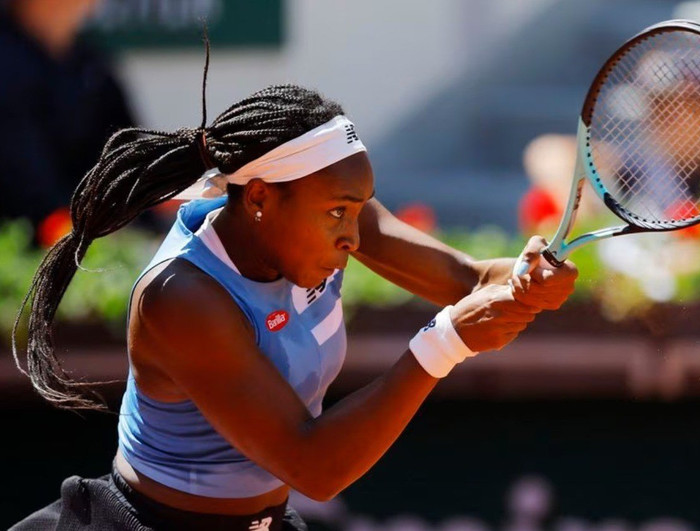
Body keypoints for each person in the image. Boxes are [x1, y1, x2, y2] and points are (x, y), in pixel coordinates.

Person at [11, 60, 577, 529]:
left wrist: (530, 273)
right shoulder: (181, 297)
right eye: (338, 213)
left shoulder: (333, 214)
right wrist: (446, 341)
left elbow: (470, 280)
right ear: (259, 198)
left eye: (359, 210)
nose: (354, 236)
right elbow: (315, 467)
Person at [0, 0, 134, 229]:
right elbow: (23, 177)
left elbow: (125, 152)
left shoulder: (89, 64)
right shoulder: (8, 60)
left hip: (91, 236)